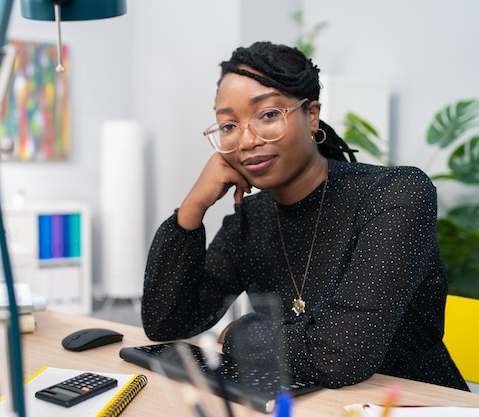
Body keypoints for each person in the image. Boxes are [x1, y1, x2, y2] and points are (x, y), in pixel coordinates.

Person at [141, 41, 469, 391]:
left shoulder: (395, 194)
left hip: (410, 402)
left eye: (267, 115)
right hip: (303, 404)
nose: (247, 140)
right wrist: (192, 207)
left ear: (311, 115)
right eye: (228, 125)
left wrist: (240, 333)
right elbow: (166, 324)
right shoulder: (247, 223)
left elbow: (339, 356)